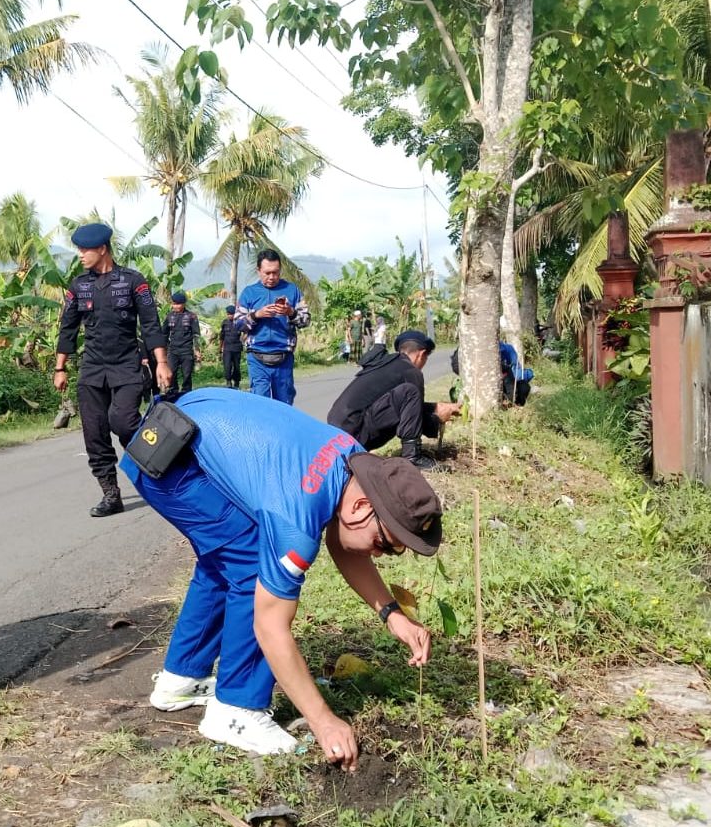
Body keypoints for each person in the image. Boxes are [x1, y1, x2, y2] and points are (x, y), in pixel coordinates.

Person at [123, 390, 442, 762]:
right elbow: (270, 627)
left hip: (178, 430)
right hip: (170, 459)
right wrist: (324, 722)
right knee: (250, 564)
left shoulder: (355, 464)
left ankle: (182, 678)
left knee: (225, 555)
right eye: (383, 544)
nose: (378, 555)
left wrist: (392, 614)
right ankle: (236, 710)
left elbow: (344, 541)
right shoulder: (296, 522)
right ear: (360, 507)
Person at [55, 222, 172, 517]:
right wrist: (60, 368)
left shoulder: (133, 281)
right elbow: (67, 328)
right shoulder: (79, 286)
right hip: (93, 369)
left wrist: (161, 363)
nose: (80, 255)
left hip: (127, 366)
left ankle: (160, 468)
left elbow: (151, 324)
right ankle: (111, 494)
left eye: (85, 249)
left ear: (102, 249)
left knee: (123, 422)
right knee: (94, 433)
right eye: (79, 249)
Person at [327, 330, 460, 470]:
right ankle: (413, 457)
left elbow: (407, 407)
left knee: (408, 395)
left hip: (339, 432)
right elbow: (415, 417)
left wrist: (436, 407)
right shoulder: (411, 371)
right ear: (421, 354)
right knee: (410, 392)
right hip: (355, 433)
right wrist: (437, 419)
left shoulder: (388, 363)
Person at [235, 250, 309, 404]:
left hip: (284, 356)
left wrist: (290, 312)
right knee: (260, 403)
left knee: (284, 404)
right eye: (267, 273)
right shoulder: (249, 293)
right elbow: (238, 324)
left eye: (275, 272)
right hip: (257, 357)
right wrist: (256, 315)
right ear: (258, 271)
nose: (271, 277)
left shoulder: (292, 290)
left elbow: (305, 320)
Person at [450, 341, 533, 407]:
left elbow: (516, 375)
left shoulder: (504, 352)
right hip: (476, 383)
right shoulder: (466, 348)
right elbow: (456, 366)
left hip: (500, 380)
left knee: (523, 386)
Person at [163, 291, 201, 394]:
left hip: (186, 350)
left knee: (187, 374)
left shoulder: (191, 316)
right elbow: (164, 334)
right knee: (172, 373)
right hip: (173, 350)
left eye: (178, 304)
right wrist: (163, 350)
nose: (175, 306)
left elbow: (196, 335)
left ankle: (186, 393)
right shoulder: (169, 316)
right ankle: (173, 392)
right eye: (174, 304)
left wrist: (197, 350)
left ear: (184, 304)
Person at [218, 306, 243, 389]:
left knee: (236, 367)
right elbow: (221, 336)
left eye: (231, 314)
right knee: (227, 366)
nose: (229, 316)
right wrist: (220, 348)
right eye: (228, 314)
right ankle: (228, 381)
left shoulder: (239, 322)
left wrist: (243, 341)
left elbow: (245, 333)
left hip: (237, 348)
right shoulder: (224, 323)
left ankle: (236, 382)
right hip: (227, 348)